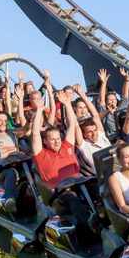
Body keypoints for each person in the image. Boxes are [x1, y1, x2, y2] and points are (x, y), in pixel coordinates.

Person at [29, 89, 93, 230]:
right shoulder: (41, 154)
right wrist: (39, 110)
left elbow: (72, 125)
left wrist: (67, 104)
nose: (57, 142)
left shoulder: (66, 145)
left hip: (80, 182)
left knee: (99, 189)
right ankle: (89, 231)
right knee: (74, 201)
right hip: (61, 191)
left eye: (58, 138)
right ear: (45, 141)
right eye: (52, 140)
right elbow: (35, 134)